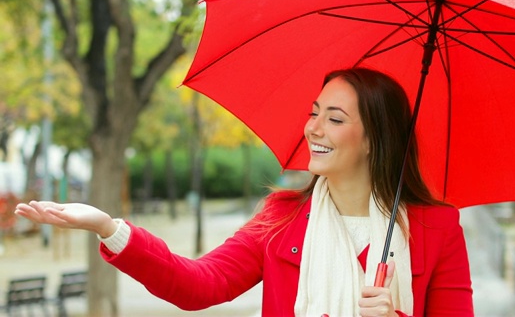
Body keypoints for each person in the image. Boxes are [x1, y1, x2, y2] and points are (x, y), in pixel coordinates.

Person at [15, 68, 473, 316]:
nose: (313, 128)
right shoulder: (281, 217)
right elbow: (198, 285)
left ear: (376, 139)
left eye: (335, 119)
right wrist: (108, 227)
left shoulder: (437, 230)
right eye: (314, 113)